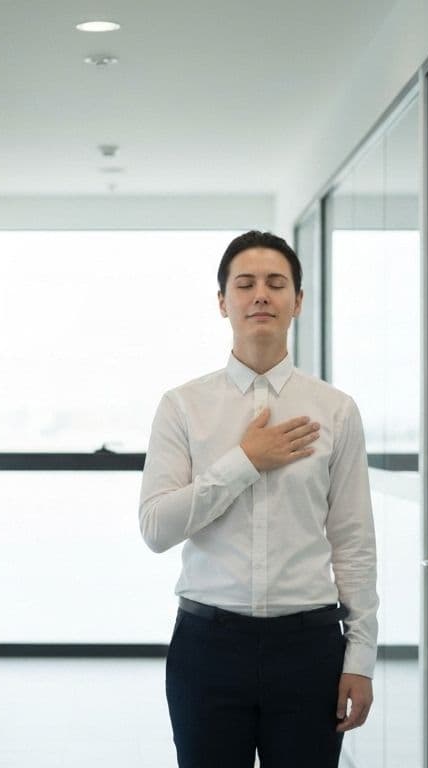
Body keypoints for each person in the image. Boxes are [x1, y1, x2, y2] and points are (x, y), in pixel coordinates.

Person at [138, 230, 378, 767]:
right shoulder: (182, 407)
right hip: (208, 647)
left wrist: (360, 657)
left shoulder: (335, 410)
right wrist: (246, 460)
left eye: (276, 283)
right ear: (223, 302)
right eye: (245, 284)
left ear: (298, 300)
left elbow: (353, 541)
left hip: (310, 647)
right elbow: (155, 527)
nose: (261, 295)